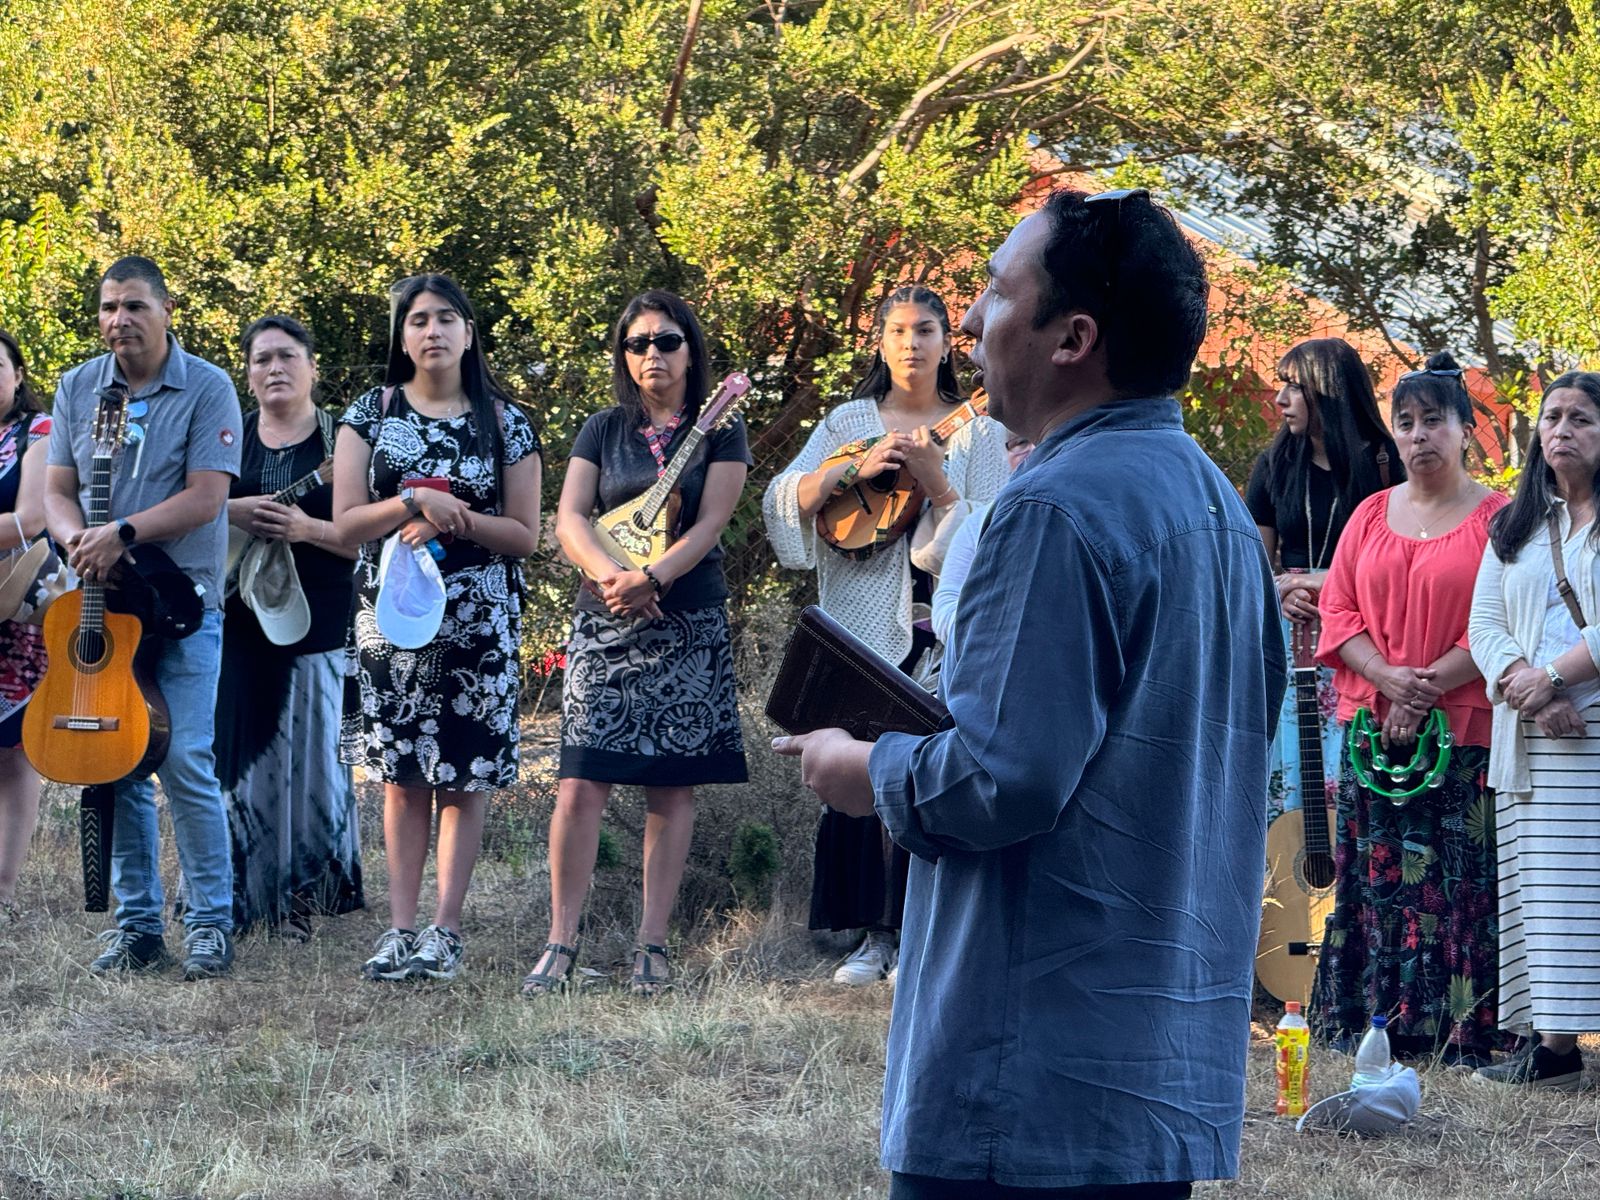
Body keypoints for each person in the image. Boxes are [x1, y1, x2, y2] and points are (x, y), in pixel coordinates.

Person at [776, 188, 1284, 1197]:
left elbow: (1002, 778)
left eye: (998, 293)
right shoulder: (1217, 504)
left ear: (1073, 338)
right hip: (1157, 1075)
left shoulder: (1051, 507)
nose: (968, 321)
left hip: (1025, 1081)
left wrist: (865, 769)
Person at [763, 285, 1007, 987]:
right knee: (858, 766)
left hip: (942, 625)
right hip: (862, 619)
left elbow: (996, 523)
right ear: (879, 341)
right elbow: (781, 499)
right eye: (897, 330)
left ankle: (921, 932)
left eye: (926, 330)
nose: (911, 344)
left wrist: (936, 483)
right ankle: (871, 936)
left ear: (947, 342)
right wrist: (851, 469)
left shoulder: (978, 430)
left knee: (925, 768)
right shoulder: (848, 420)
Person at [522, 290, 750, 998]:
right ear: (623, 356)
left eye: (668, 340)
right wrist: (613, 578)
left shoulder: (720, 429)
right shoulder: (602, 428)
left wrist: (655, 576)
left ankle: (652, 945)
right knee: (578, 782)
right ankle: (561, 941)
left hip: (687, 620)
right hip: (605, 619)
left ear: (691, 350)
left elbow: (710, 523)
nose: (654, 353)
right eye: (639, 343)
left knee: (671, 787)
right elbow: (569, 518)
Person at [333, 274, 541, 984]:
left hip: (478, 623)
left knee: (464, 776)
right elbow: (345, 525)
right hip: (391, 623)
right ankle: (399, 929)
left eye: (447, 318)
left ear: (469, 332)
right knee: (400, 776)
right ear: (402, 336)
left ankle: (444, 930)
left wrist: (458, 518)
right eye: (418, 320)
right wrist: (413, 500)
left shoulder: (505, 421)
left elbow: (525, 534)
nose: (433, 331)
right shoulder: (370, 413)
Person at [44, 256, 242, 979]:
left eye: (133, 306)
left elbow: (207, 498)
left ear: (166, 311)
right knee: (116, 761)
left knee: (183, 757)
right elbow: (56, 492)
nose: (118, 320)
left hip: (180, 604)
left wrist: (121, 533)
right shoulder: (80, 387)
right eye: (108, 307)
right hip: (102, 603)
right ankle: (137, 931)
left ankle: (211, 923)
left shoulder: (209, 387)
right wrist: (77, 539)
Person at [1311, 352, 1509, 1067]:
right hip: (1372, 727)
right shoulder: (1368, 515)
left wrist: (1422, 689)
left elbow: (1505, 621)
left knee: (1456, 876)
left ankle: (1457, 1030)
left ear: (1465, 429)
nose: (1419, 435)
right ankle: (1370, 1017)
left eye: (1434, 420)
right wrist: (1388, 680)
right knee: (1376, 873)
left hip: (1464, 725)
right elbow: (1339, 612)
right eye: (1406, 423)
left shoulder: (1500, 518)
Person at [1467, 371, 1600, 1089]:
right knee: (1545, 894)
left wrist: (1553, 677)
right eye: (1553, 417)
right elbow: (1483, 624)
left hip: (1593, 726)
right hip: (1533, 730)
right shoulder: (1517, 527)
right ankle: (1555, 1050)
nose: (1563, 430)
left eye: (1582, 418)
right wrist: (1528, 686)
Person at [218, 315, 363, 936]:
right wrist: (232, 510)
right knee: (237, 760)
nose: (275, 368)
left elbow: (374, 538)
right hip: (236, 620)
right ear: (248, 374)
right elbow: (192, 510)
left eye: (287, 356)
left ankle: (305, 900)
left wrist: (309, 530)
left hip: (320, 620)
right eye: (262, 359)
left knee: (311, 761)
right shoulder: (228, 438)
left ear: (312, 367)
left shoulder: (346, 441)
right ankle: (232, 899)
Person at [1245, 338, 1403, 821]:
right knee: (1287, 780)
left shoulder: (1386, 464)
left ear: (1327, 390)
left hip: (1361, 638)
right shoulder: (1274, 464)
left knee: (1351, 775)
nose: (1280, 399)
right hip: (1289, 640)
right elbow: (1254, 563)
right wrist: (1280, 591)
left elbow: (1399, 563)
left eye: (1294, 387)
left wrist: (1320, 583)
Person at [0, 330, 51, 921]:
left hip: (12, 600)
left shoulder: (37, 431)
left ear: (17, 376)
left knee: (12, 751)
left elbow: (32, 516)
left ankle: (4, 890)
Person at [927, 424, 1032, 647]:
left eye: (1045, 441)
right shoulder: (979, 522)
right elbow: (946, 606)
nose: (1033, 450)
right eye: (1021, 442)